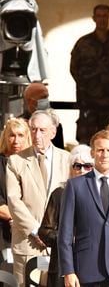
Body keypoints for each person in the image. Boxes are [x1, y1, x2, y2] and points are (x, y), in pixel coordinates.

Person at [58, 130, 109, 287]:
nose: (104, 155)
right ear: (92, 152)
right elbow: (65, 233)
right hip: (85, 270)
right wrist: (68, 271)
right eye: (100, 150)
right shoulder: (75, 185)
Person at [6, 110, 70, 287]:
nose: (37, 135)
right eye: (33, 130)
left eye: (42, 130)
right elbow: (14, 200)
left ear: (53, 132)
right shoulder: (16, 161)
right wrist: (37, 230)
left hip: (58, 245)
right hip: (28, 242)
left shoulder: (67, 159)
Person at [38, 144, 94, 287]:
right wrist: (67, 238)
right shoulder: (60, 193)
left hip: (92, 265)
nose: (82, 170)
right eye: (77, 166)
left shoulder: (101, 195)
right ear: (71, 168)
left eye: (87, 166)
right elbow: (44, 231)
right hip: (62, 265)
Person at [70, 4, 109, 144]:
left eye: (105, 16)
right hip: (88, 101)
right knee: (87, 141)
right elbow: (74, 69)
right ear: (94, 18)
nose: (102, 19)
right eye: (99, 16)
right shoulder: (83, 43)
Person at [0, 118, 31, 263]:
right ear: (5, 137)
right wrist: (22, 221)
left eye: (21, 135)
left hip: (33, 234)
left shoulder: (33, 162)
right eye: (12, 135)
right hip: (4, 236)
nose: (16, 140)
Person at [21, 82, 64, 149]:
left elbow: (58, 153)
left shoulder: (55, 125)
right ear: (30, 100)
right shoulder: (20, 125)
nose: (46, 100)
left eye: (47, 97)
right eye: (43, 97)